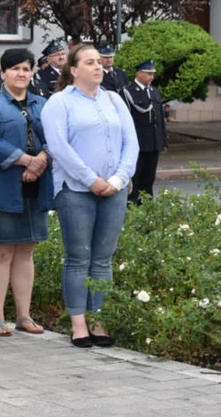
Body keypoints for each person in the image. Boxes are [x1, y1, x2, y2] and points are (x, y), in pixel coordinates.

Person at [41, 44, 138, 349]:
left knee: (103, 259)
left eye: (100, 62)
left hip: (114, 190)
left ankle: (98, 318)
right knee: (79, 257)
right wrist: (92, 180)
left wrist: (118, 179)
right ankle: (78, 323)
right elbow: (59, 148)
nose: (98, 67)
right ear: (73, 69)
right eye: (90, 62)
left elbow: (131, 143)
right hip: (76, 192)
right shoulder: (59, 103)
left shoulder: (114, 99)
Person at [0, 48, 53, 336]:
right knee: (2, 251)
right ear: (3, 73)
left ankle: (24, 315)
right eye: (15, 69)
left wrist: (40, 161)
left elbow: (55, 137)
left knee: (27, 249)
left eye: (26, 68)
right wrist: (25, 160)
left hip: (37, 184)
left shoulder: (42, 104)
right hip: (3, 186)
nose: (21, 73)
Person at [122, 60, 167, 203]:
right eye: (149, 74)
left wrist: (162, 140)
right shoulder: (128, 91)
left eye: (153, 74)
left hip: (153, 142)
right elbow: (125, 119)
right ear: (139, 74)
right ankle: (132, 202)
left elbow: (159, 119)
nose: (152, 77)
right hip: (138, 142)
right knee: (135, 175)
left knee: (149, 176)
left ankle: (146, 202)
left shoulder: (154, 91)